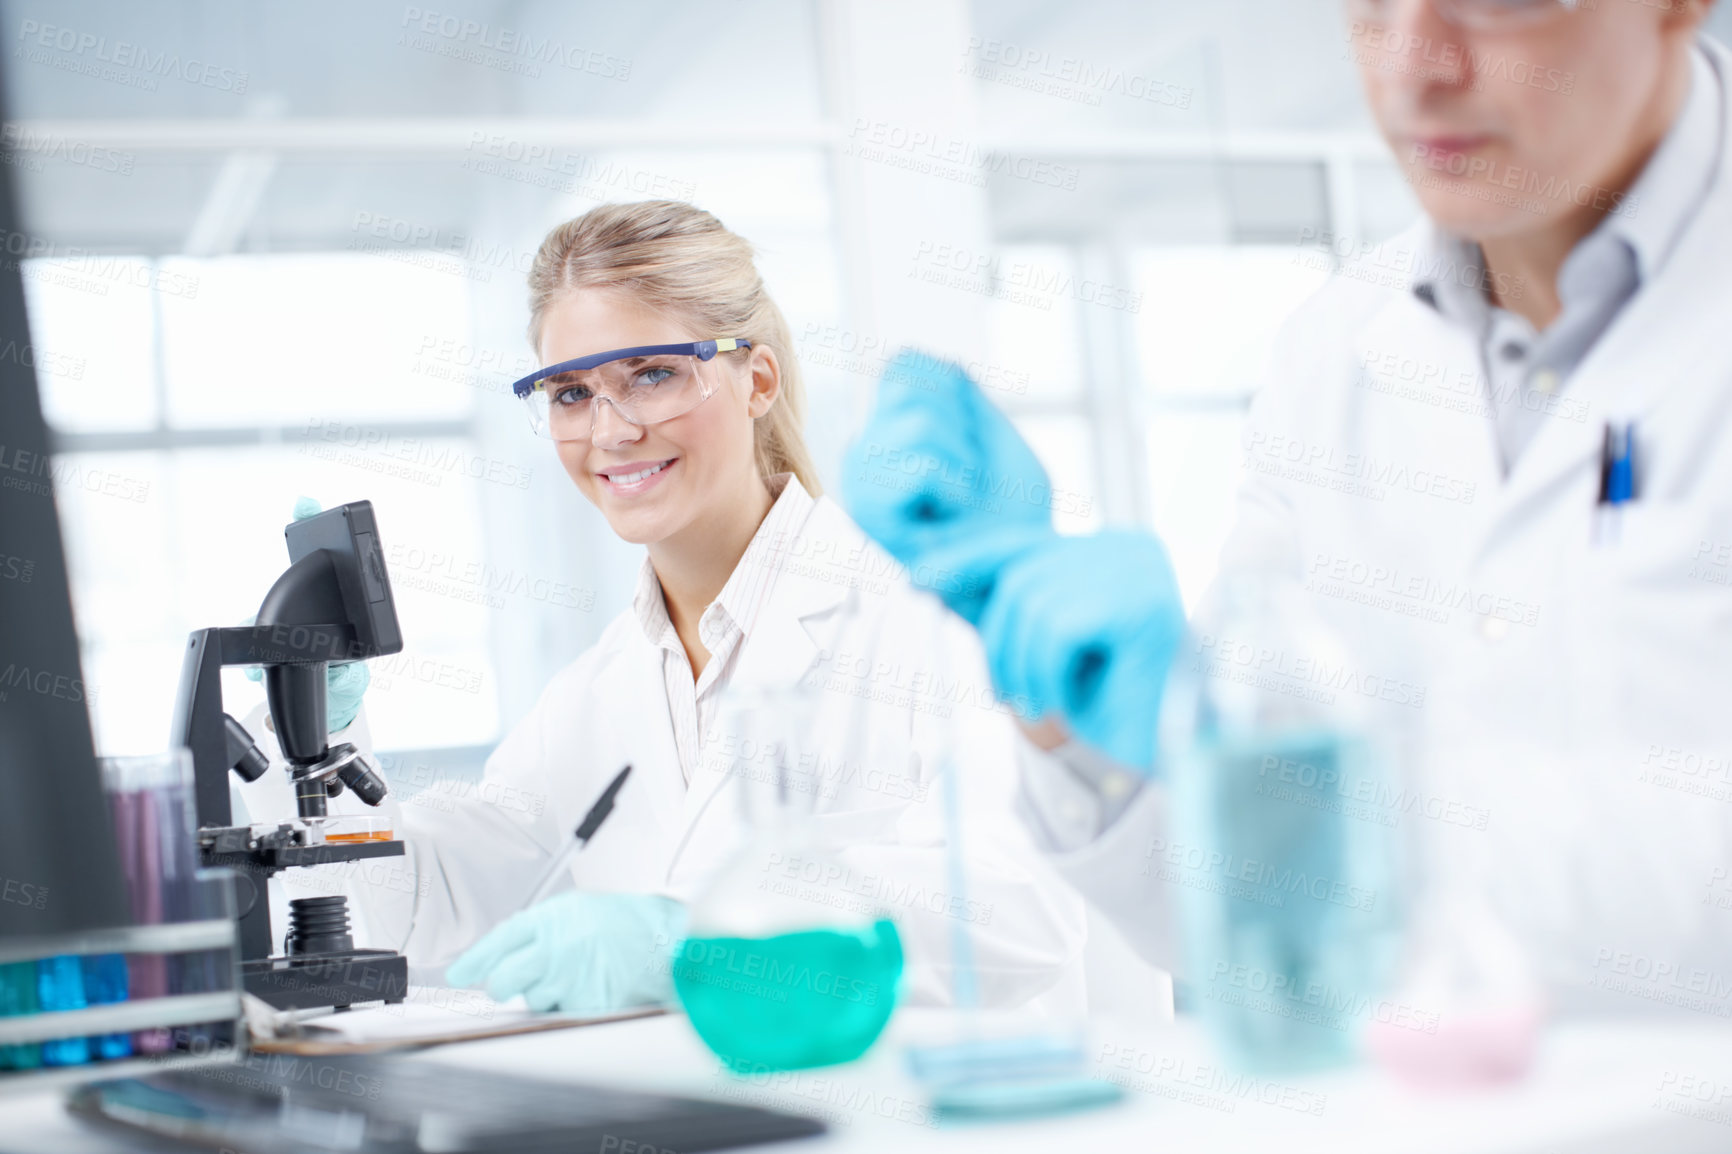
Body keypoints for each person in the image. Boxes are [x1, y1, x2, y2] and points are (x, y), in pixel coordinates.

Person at [844, 0, 1732, 1015]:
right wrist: (1082, 723)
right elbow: (1244, 924)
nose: (1412, 68)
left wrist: (1333, 819)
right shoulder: (1336, 343)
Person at [237, 200, 1088, 1015]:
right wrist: (318, 736)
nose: (609, 430)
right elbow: (416, 910)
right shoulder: (598, 691)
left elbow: (1015, 913)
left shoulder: (927, 623)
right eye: (570, 393)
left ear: (757, 380)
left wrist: (695, 943)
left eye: (651, 374)